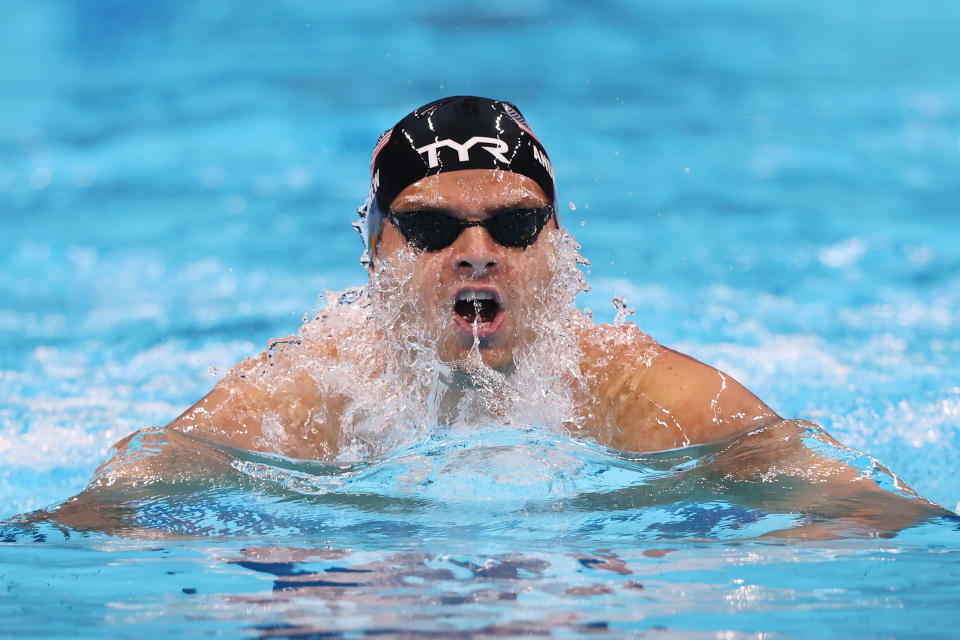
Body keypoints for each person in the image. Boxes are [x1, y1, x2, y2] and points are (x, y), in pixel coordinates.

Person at [161, 95, 779, 460]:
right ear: (377, 250)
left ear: (557, 247)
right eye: (431, 227)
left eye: (514, 223)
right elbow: (98, 530)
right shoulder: (295, 409)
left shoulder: (645, 402)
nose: (478, 253)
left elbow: (852, 514)